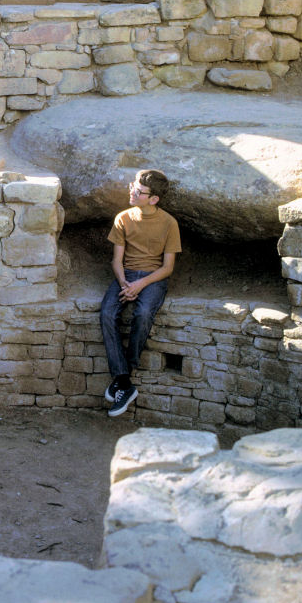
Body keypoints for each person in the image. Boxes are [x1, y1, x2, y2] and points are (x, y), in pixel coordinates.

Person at [100, 169, 181, 417]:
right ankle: (124, 381)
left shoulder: (169, 223)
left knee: (144, 313)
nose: (131, 192)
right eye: (133, 186)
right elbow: (116, 260)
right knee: (107, 312)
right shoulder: (123, 218)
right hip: (126, 275)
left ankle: (126, 372)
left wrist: (140, 285)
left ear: (153, 199)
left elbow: (167, 268)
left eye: (138, 191)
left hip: (153, 278)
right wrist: (125, 283)